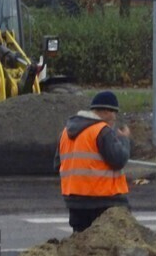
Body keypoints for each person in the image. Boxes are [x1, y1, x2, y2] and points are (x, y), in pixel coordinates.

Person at [54, 90, 131, 232]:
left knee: (81, 242)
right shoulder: (102, 130)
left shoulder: (65, 132)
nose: (114, 119)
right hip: (104, 200)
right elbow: (119, 159)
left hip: (74, 201)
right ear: (107, 112)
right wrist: (124, 139)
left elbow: (58, 164)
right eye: (114, 114)